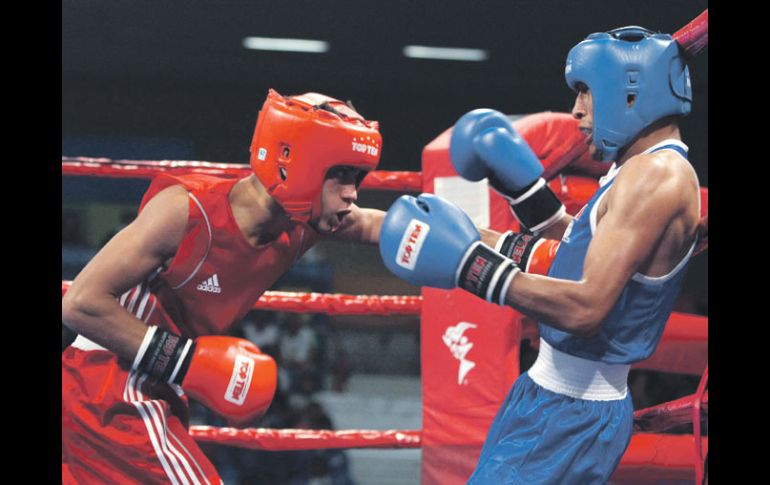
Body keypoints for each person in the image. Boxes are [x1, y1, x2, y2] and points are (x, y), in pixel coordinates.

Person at [379, 25, 700, 483]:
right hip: (548, 399)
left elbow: (588, 307)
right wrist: (526, 194)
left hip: (573, 412)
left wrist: (473, 267)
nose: (577, 110)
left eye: (587, 92)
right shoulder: (636, 170)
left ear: (630, 93)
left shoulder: (659, 177)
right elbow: (586, 247)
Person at [61, 88, 387, 484]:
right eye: (341, 174)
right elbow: (79, 302)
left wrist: (475, 245)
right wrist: (187, 363)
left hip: (149, 390)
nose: (352, 192)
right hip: (109, 387)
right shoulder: (186, 211)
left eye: (356, 177)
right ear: (292, 162)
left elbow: (382, 225)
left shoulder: (304, 223)